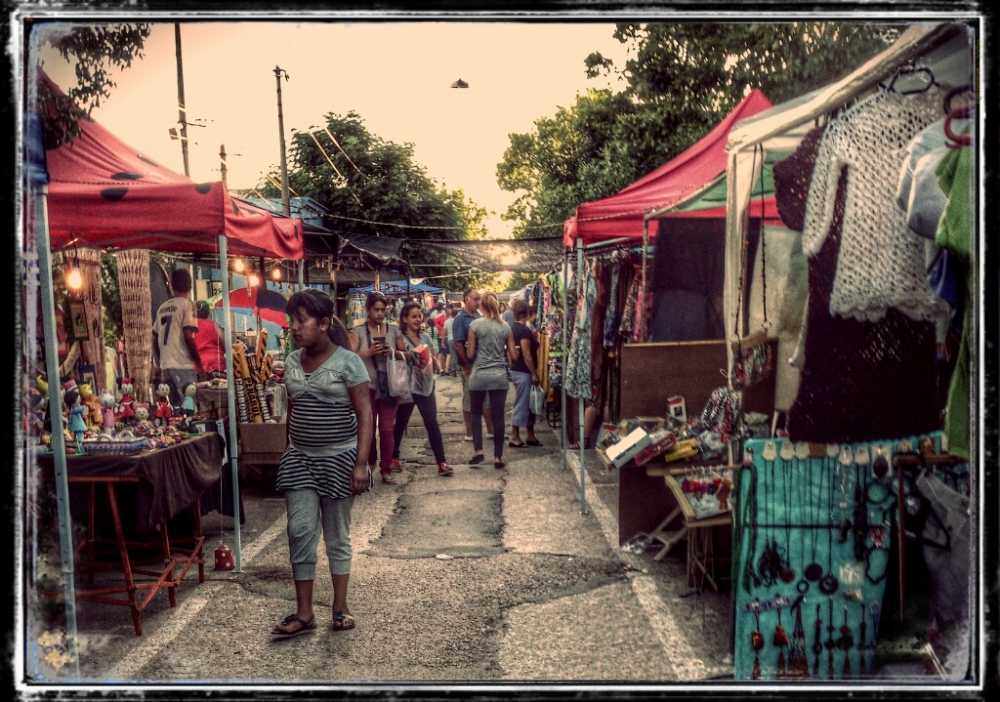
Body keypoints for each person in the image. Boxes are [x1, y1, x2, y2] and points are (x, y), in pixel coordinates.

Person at [271, 288, 373, 638]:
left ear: (325, 324)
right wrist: (287, 450)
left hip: (340, 460)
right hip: (300, 458)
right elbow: (294, 410)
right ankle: (304, 613)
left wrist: (360, 464)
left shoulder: (349, 362)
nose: (295, 327)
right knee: (299, 531)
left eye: (302, 320)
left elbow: (365, 414)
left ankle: (340, 606)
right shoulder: (292, 361)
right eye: (292, 321)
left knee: (336, 536)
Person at [349, 291, 406, 485]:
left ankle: (386, 469)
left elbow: (407, 355)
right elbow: (349, 358)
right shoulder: (358, 332)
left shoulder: (393, 331)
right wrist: (369, 352)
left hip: (390, 387)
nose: (380, 314)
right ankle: (370, 460)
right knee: (368, 427)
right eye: (376, 309)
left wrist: (392, 352)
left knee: (387, 429)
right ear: (368, 310)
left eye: (383, 310)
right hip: (367, 388)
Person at [390, 302, 452, 476]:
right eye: (413, 316)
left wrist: (436, 363)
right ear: (405, 319)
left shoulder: (425, 338)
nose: (417, 320)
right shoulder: (399, 337)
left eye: (419, 316)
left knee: (431, 422)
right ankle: (394, 457)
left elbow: (433, 357)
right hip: (407, 387)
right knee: (400, 424)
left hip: (425, 386)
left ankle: (441, 462)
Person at [466, 292, 517, 470]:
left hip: (479, 375)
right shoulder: (506, 327)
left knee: (475, 412)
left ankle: (478, 451)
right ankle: (497, 457)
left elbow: (470, 354)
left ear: (482, 306)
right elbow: (514, 355)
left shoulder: (475, 325)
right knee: (498, 416)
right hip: (499, 376)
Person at [153, 269, 204, 407]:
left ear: (172, 286)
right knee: (189, 408)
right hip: (183, 365)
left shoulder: (162, 308)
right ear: (189, 287)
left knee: (175, 410)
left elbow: (155, 337)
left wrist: (162, 358)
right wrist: (198, 363)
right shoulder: (188, 305)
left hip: (166, 367)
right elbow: (188, 335)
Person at [452, 287, 496, 442]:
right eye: (476, 299)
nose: (479, 302)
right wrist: (467, 366)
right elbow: (458, 344)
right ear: (466, 299)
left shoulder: (478, 316)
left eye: (479, 299)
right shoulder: (460, 319)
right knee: (469, 399)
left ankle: (491, 431)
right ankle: (470, 433)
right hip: (469, 366)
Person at [507, 299, 543, 448]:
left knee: (529, 403)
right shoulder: (524, 331)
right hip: (524, 371)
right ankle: (514, 436)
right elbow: (527, 354)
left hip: (517, 369)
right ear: (527, 313)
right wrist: (534, 373)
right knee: (522, 403)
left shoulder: (513, 328)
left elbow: (510, 351)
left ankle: (530, 435)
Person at [194, 300, 226, 375]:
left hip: (199, 366)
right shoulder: (215, 325)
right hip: (218, 364)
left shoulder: (191, 327)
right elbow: (226, 345)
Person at [443, 306, 458, 376]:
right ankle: (456, 369)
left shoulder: (446, 322)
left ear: (451, 314)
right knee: (458, 355)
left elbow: (444, 333)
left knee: (453, 355)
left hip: (450, 339)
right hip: (457, 339)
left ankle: (453, 370)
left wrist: (442, 341)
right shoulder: (458, 321)